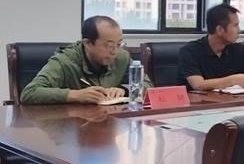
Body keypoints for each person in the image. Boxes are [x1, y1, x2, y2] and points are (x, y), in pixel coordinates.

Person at [21, 16, 152, 105]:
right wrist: (76, 95)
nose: (114, 51)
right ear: (87, 43)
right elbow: (29, 93)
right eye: (109, 45)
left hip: (109, 122)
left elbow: (148, 86)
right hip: (72, 125)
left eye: (119, 44)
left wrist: (126, 90)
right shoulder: (65, 61)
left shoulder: (121, 57)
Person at [178, 4, 244, 91]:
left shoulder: (239, 49)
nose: (239, 30)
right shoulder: (189, 51)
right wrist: (235, 80)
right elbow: (198, 85)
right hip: (198, 99)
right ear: (220, 30)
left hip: (232, 99)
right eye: (235, 25)